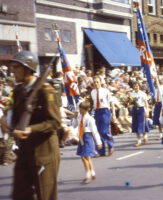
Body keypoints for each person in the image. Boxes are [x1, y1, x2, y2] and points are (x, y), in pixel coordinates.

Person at [9, 50, 61, 200]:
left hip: (44, 151)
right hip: (25, 151)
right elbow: (16, 118)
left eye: (16, 67)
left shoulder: (46, 90)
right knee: (19, 193)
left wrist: (31, 129)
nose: (13, 71)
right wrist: (12, 127)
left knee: (45, 196)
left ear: (28, 68)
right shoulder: (18, 91)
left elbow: (55, 122)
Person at [72, 101, 102, 184]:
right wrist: (74, 117)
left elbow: (94, 131)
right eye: (79, 109)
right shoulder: (79, 117)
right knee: (87, 157)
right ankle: (92, 172)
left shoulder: (90, 119)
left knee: (83, 157)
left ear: (86, 109)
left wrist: (98, 142)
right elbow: (74, 125)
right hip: (81, 137)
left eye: (81, 109)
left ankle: (88, 175)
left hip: (87, 137)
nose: (80, 111)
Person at [91, 76, 115, 156]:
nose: (96, 83)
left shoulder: (105, 91)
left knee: (104, 130)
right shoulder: (92, 92)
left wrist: (113, 113)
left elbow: (111, 102)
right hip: (97, 111)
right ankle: (101, 151)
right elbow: (93, 103)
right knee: (98, 131)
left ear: (100, 82)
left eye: (97, 82)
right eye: (94, 82)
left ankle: (110, 145)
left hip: (105, 110)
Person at [130, 81, 149, 147]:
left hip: (141, 109)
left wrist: (147, 111)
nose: (135, 87)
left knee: (142, 124)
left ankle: (145, 136)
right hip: (135, 110)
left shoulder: (142, 94)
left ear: (139, 86)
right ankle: (139, 140)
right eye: (134, 86)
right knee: (135, 125)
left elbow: (146, 103)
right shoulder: (131, 94)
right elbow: (130, 103)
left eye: (137, 86)